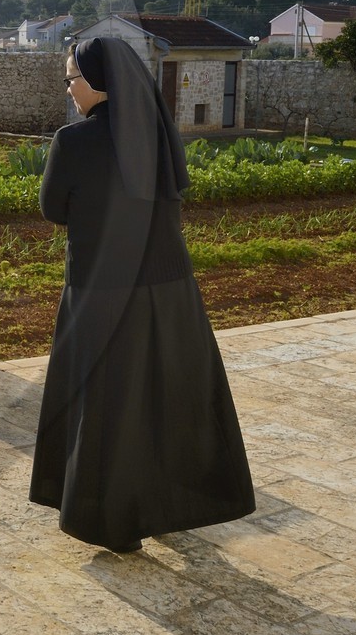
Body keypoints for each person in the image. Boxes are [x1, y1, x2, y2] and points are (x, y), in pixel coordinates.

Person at [29, 36, 255, 553]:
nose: (69, 89)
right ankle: (167, 505)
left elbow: (54, 209)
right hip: (170, 290)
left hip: (103, 290)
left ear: (98, 82)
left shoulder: (73, 141)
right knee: (166, 399)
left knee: (107, 405)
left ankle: (111, 522)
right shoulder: (157, 135)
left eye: (71, 78)